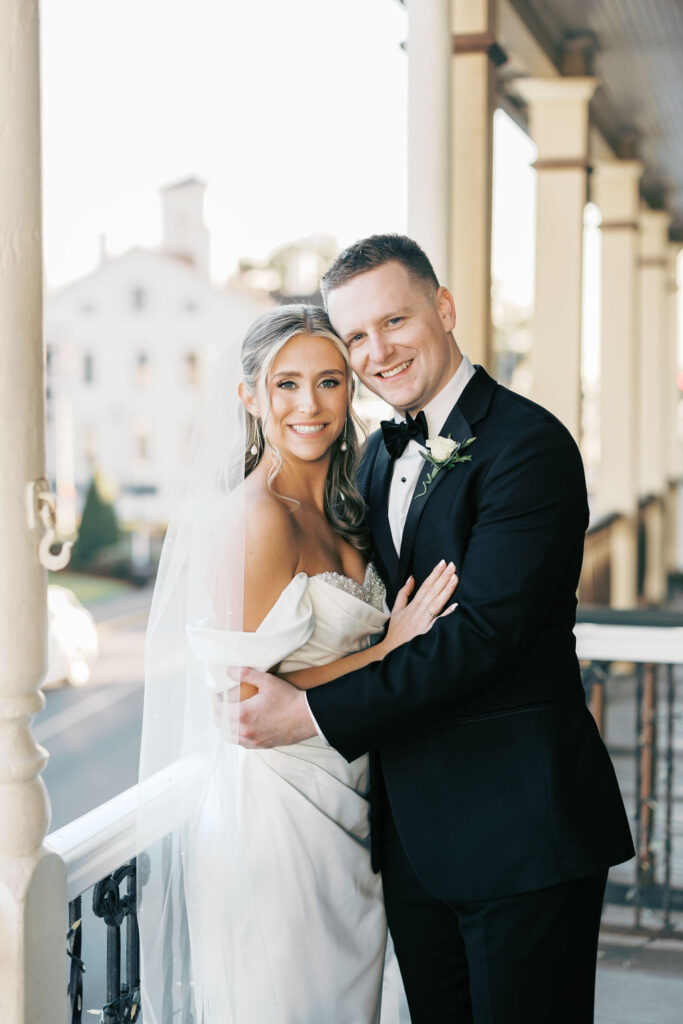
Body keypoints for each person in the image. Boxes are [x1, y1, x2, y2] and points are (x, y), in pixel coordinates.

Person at [233, 235, 636, 1023]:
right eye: (355, 337)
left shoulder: (529, 447)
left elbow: (483, 635)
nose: (376, 352)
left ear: (443, 310)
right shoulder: (380, 459)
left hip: (520, 837)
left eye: (395, 321)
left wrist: (308, 711)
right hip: (411, 846)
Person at [139, 303, 458, 1023]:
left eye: (328, 382)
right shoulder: (254, 519)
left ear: (351, 392)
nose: (308, 405)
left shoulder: (346, 508)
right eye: (285, 385)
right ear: (249, 397)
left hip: (355, 801)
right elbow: (241, 697)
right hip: (277, 818)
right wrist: (389, 649)